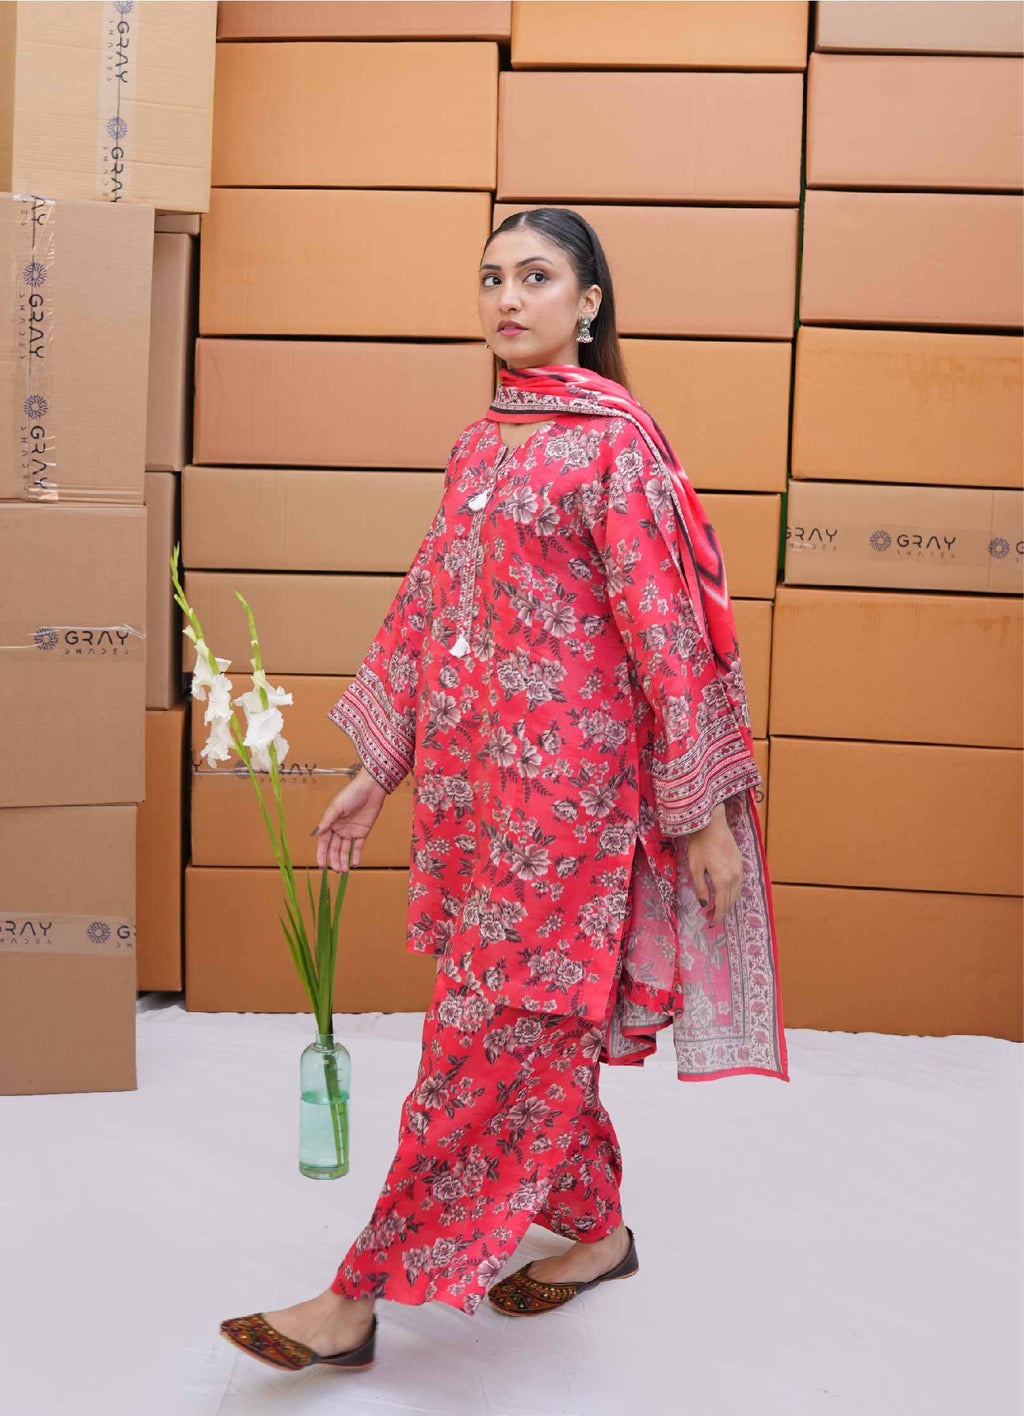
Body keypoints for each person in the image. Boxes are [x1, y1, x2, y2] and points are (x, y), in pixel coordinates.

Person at [220, 207, 789, 1372]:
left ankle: (354, 1299)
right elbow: (430, 608)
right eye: (491, 278)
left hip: (570, 823)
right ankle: (594, 1233)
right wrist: (377, 772)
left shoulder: (613, 447)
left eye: (537, 277)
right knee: (536, 1038)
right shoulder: (483, 445)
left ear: (590, 304)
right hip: (478, 812)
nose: (507, 298)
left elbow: (667, 639)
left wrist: (702, 818)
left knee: (480, 1048)